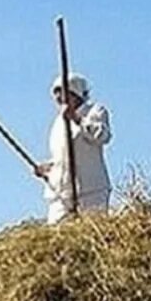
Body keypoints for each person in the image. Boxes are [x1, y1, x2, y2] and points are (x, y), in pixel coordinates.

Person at [34, 72, 112, 223]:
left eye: (63, 93)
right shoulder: (58, 123)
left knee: (92, 232)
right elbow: (62, 156)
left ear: (75, 93)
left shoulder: (95, 111)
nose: (59, 99)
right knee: (57, 236)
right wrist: (48, 168)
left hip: (90, 190)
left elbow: (102, 136)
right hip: (61, 193)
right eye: (56, 94)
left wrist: (77, 119)